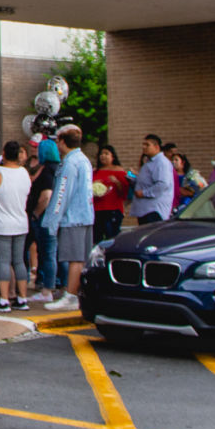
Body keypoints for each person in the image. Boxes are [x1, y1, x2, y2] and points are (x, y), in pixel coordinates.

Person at [43, 125, 95, 311]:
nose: (57, 145)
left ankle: (71, 296)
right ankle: (76, 294)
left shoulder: (70, 163)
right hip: (86, 215)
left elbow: (62, 193)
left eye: (58, 141)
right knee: (80, 258)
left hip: (73, 217)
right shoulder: (84, 160)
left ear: (63, 141)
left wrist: (52, 220)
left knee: (74, 258)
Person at [0, 140, 33, 311]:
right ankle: (22, 297)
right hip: (20, 222)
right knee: (19, 261)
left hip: (1, 224)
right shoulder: (24, 173)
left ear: (3, 154)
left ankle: (4, 299)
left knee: (3, 262)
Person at [29, 137, 63, 300]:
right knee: (53, 253)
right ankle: (57, 285)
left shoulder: (49, 170)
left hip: (46, 217)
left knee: (48, 253)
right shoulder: (57, 168)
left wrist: (36, 212)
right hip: (55, 217)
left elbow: (47, 195)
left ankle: (48, 289)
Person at [91, 144, 130, 245]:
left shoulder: (119, 171)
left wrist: (117, 182)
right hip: (96, 209)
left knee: (111, 238)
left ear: (113, 157)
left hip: (112, 209)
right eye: (101, 154)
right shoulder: (95, 171)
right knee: (96, 238)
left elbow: (125, 192)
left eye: (106, 154)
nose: (103, 156)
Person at [132, 134, 174, 224]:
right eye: (143, 144)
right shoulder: (149, 162)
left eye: (147, 145)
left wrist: (144, 193)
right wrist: (133, 178)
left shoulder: (161, 162)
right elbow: (146, 181)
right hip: (145, 210)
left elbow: (163, 184)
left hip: (154, 211)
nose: (144, 147)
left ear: (156, 147)